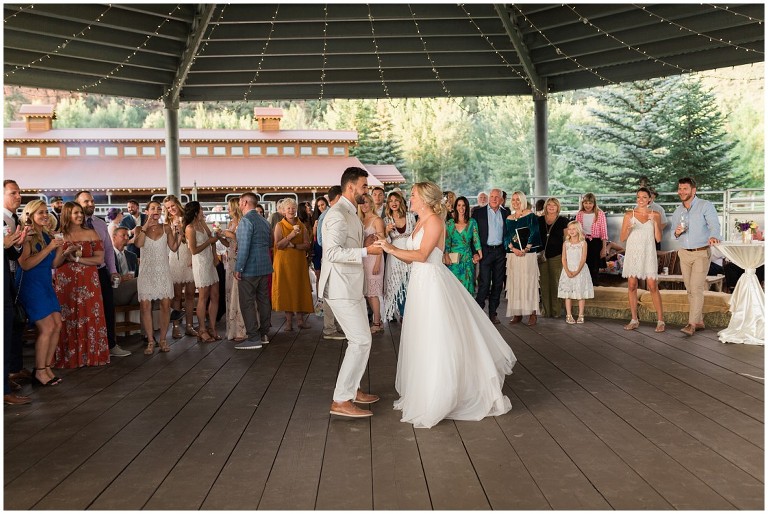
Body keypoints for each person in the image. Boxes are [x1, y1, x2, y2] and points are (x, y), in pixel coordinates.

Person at [374, 181, 516, 429]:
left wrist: (390, 248)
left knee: (437, 338)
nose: (411, 198)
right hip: (419, 283)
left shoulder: (434, 222)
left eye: (414, 195)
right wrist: (390, 245)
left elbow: (421, 255)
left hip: (432, 284)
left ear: (426, 198)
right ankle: (424, 391)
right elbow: (412, 261)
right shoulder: (419, 221)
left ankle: (440, 397)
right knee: (421, 337)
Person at [319, 166, 381, 418]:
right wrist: (367, 252)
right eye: (364, 186)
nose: (366, 191)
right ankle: (341, 400)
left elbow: (348, 245)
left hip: (351, 284)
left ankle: (352, 389)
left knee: (362, 338)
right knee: (361, 340)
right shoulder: (337, 215)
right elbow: (331, 253)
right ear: (351, 187)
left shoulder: (351, 212)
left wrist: (363, 243)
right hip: (340, 286)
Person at [53, 201, 110, 368]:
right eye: (75, 213)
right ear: (66, 215)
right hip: (66, 282)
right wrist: (65, 253)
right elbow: (55, 264)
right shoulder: (60, 235)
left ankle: (91, 356)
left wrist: (77, 259)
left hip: (88, 281)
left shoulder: (91, 233)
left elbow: (99, 259)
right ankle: (69, 357)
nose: (79, 216)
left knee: (90, 314)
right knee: (67, 317)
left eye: (80, 212)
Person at [15, 200, 65, 386]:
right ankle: (40, 371)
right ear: (30, 215)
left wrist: (61, 248)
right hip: (31, 285)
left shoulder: (47, 234)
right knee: (47, 327)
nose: (45, 215)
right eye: (40, 213)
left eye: (45, 212)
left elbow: (53, 264)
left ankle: (46, 366)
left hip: (45, 283)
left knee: (57, 324)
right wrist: (49, 248)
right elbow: (25, 264)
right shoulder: (27, 235)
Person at [76, 191, 131, 357]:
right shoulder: (72, 225)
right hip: (81, 273)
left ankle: (111, 344)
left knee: (107, 307)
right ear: (77, 204)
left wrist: (113, 271)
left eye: (92, 201)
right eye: (86, 202)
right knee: (84, 311)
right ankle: (87, 348)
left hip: (100, 271)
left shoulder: (100, 224)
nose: (91, 204)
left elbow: (108, 250)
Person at [669, 177, 721, 336]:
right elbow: (673, 235)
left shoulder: (705, 205)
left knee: (696, 288)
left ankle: (691, 324)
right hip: (684, 253)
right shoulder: (678, 211)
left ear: (693, 190)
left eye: (685, 189)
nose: (681, 192)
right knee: (690, 289)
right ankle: (699, 321)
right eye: (680, 189)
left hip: (701, 252)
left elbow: (714, 224)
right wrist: (677, 233)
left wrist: (713, 236)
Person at [135, 200, 182, 354]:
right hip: (146, 272)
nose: (156, 210)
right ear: (147, 211)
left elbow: (174, 248)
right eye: (153, 208)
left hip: (163, 271)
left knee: (165, 306)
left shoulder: (166, 227)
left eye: (159, 208)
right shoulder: (139, 229)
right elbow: (138, 244)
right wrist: (146, 225)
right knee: (145, 307)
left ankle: (162, 339)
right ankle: (150, 341)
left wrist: (180, 234)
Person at [232, 192, 274, 350]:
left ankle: (253, 337)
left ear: (244, 202)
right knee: (264, 301)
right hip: (264, 266)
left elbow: (244, 247)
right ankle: (264, 334)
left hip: (249, 268)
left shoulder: (246, 221)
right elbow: (270, 242)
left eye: (240, 202)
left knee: (248, 302)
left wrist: (239, 268)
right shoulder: (264, 221)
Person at [621, 187, 665, 332]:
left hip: (648, 253)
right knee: (632, 285)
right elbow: (622, 238)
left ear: (649, 199)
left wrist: (655, 224)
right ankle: (634, 319)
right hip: (633, 253)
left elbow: (658, 238)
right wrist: (628, 228)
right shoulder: (629, 215)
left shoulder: (656, 215)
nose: (641, 200)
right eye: (638, 197)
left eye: (644, 197)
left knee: (652, 285)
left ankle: (660, 321)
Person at [3, 179, 33, 393]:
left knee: (15, 324)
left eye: (19, 193)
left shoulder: (14, 219)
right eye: (13, 193)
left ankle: (12, 372)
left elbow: (11, 253)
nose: (18, 196)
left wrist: (20, 241)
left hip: (11, 276)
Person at [272, 198, 314, 330]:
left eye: (293, 208)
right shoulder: (279, 225)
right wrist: (291, 235)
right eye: (288, 208)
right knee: (286, 289)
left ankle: (301, 320)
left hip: (298, 261)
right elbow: (278, 245)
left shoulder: (301, 225)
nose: (291, 210)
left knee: (299, 288)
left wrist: (294, 245)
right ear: (283, 211)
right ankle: (289, 322)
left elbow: (307, 244)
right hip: (283, 262)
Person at [185, 201, 223, 343]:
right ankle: (202, 329)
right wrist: (210, 242)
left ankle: (212, 327)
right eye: (200, 209)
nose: (202, 211)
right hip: (200, 263)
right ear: (195, 212)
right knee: (203, 296)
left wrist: (214, 256)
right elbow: (194, 250)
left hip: (210, 262)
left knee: (215, 295)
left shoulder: (203, 223)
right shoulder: (189, 228)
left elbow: (212, 240)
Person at [472, 188, 510, 324]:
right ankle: (478, 312)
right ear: (488, 198)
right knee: (484, 283)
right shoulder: (478, 213)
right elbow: (473, 234)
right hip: (485, 252)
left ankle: (493, 313)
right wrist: (475, 252)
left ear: (501, 199)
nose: (494, 199)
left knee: (498, 284)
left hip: (500, 252)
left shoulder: (506, 213)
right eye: (492, 196)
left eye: (496, 197)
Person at [504, 191, 542, 326]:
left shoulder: (530, 216)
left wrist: (525, 249)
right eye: (513, 200)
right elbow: (507, 237)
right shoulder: (509, 218)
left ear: (523, 201)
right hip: (513, 255)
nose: (515, 202)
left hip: (528, 254)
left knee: (528, 282)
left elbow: (535, 233)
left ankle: (532, 313)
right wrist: (513, 249)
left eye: (518, 200)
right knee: (516, 283)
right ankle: (517, 313)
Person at [163, 195, 197, 338]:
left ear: (178, 204)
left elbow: (192, 239)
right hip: (175, 259)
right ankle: (176, 327)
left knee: (190, 295)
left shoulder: (188, 219)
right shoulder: (166, 222)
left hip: (188, 256)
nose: (171, 209)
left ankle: (189, 326)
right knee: (176, 296)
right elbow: (169, 244)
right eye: (168, 208)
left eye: (173, 206)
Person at [316, 186, 345, 341]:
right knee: (330, 296)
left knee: (337, 295)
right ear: (340, 197)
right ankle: (329, 328)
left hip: (338, 260)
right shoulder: (328, 215)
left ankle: (337, 326)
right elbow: (320, 241)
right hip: (332, 260)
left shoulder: (338, 213)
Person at [383, 190, 416, 321]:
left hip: (409, 253)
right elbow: (387, 242)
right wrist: (385, 231)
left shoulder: (410, 216)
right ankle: (402, 313)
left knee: (411, 284)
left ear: (401, 201)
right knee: (399, 284)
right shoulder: (386, 220)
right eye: (390, 201)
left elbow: (415, 236)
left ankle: (412, 312)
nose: (394, 203)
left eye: (396, 200)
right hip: (395, 256)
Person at [537, 197, 569, 318]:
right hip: (542, 256)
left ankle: (556, 311)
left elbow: (566, 240)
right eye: (549, 205)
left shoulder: (563, 220)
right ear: (545, 206)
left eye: (554, 205)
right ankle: (546, 311)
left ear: (557, 207)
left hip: (557, 255)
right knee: (544, 284)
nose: (551, 207)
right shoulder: (539, 220)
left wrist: (565, 257)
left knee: (555, 283)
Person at [220, 197, 247, 342]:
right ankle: (233, 328)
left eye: (229, 206)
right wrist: (220, 237)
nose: (228, 209)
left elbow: (242, 240)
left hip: (239, 259)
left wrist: (231, 235)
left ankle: (242, 328)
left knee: (239, 292)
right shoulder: (231, 223)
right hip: (230, 260)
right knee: (231, 292)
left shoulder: (243, 222)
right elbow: (228, 244)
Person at [359, 193, 386, 333]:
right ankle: (378, 320)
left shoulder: (377, 220)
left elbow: (382, 243)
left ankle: (376, 323)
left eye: (366, 202)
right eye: (361, 203)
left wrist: (377, 263)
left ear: (371, 203)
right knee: (367, 292)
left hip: (375, 258)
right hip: (364, 258)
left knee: (373, 293)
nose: (364, 205)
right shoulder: (361, 220)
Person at [443, 196, 482, 295]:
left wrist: (479, 253)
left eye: (464, 205)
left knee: (467, 287)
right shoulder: (449, 223)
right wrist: (446, 255)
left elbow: (476, 239)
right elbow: (447, 242)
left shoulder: (472, 222)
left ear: (467, 207)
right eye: (459, 205)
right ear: (455, 207)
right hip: (453, 260)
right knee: (454, 288)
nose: (461, 208)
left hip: (467, 259)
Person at [558, 221, 594, 324]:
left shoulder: (583, 243)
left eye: (574, 229)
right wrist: (567, 271)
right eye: (569, 229)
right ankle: (568, 315)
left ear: (578, 230)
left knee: (580, 293)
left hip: (580, 270)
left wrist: (577, 271)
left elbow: (583, 259)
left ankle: (581, 315)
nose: (571, 231)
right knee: (568, 294)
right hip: (568, 270)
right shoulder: (566, 243)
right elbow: (564, 258)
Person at [575, 192, 609, 285]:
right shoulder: (580, 214)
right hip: (583, 242)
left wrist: (604, 248)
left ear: (594, 203)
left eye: (590, 203)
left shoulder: (600, 214)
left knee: (594, 269)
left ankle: (594, 288)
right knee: (583, 266)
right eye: (586, 203)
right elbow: (577, 230)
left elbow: (604, 232)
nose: (588, 205)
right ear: (582, 203)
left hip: (596, 243)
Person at [112, 227, 139, 307]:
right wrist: (121, 278)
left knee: (147, 294)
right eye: (123, 235)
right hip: (115, 290)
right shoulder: (107, 256)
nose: (127, 238)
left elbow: (136, 275)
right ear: (114, 237)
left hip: (131, 289)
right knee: (143, 281)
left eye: (127, 235)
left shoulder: (132, 256)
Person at [311, 196, 329, 287]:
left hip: (327, 245)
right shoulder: (317, 217)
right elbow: (314, 234)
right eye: (318, 206)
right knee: (318, 274)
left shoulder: (330, 214)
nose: (321, 207)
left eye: (322, 205)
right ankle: (319, 298)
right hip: (318, 245)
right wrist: (315, 225)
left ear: (326, 204)